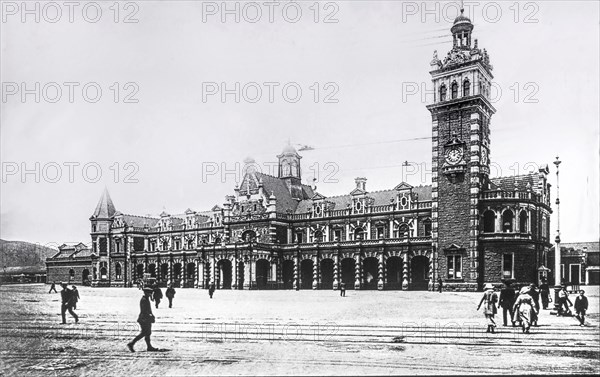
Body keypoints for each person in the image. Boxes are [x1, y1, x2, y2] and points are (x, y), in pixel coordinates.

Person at [127, 287, 158, 352]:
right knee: (144, 332)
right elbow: (144, 310)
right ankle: (131, 343)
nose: (151, 294)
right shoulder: (144, 300)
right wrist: (150, 316)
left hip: (146, 318)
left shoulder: (146, 299)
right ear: (146, 293)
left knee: (148, 333)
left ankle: (149, 347)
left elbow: (149, 310)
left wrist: (151, 315)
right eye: (150, 293)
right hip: (144, 319)